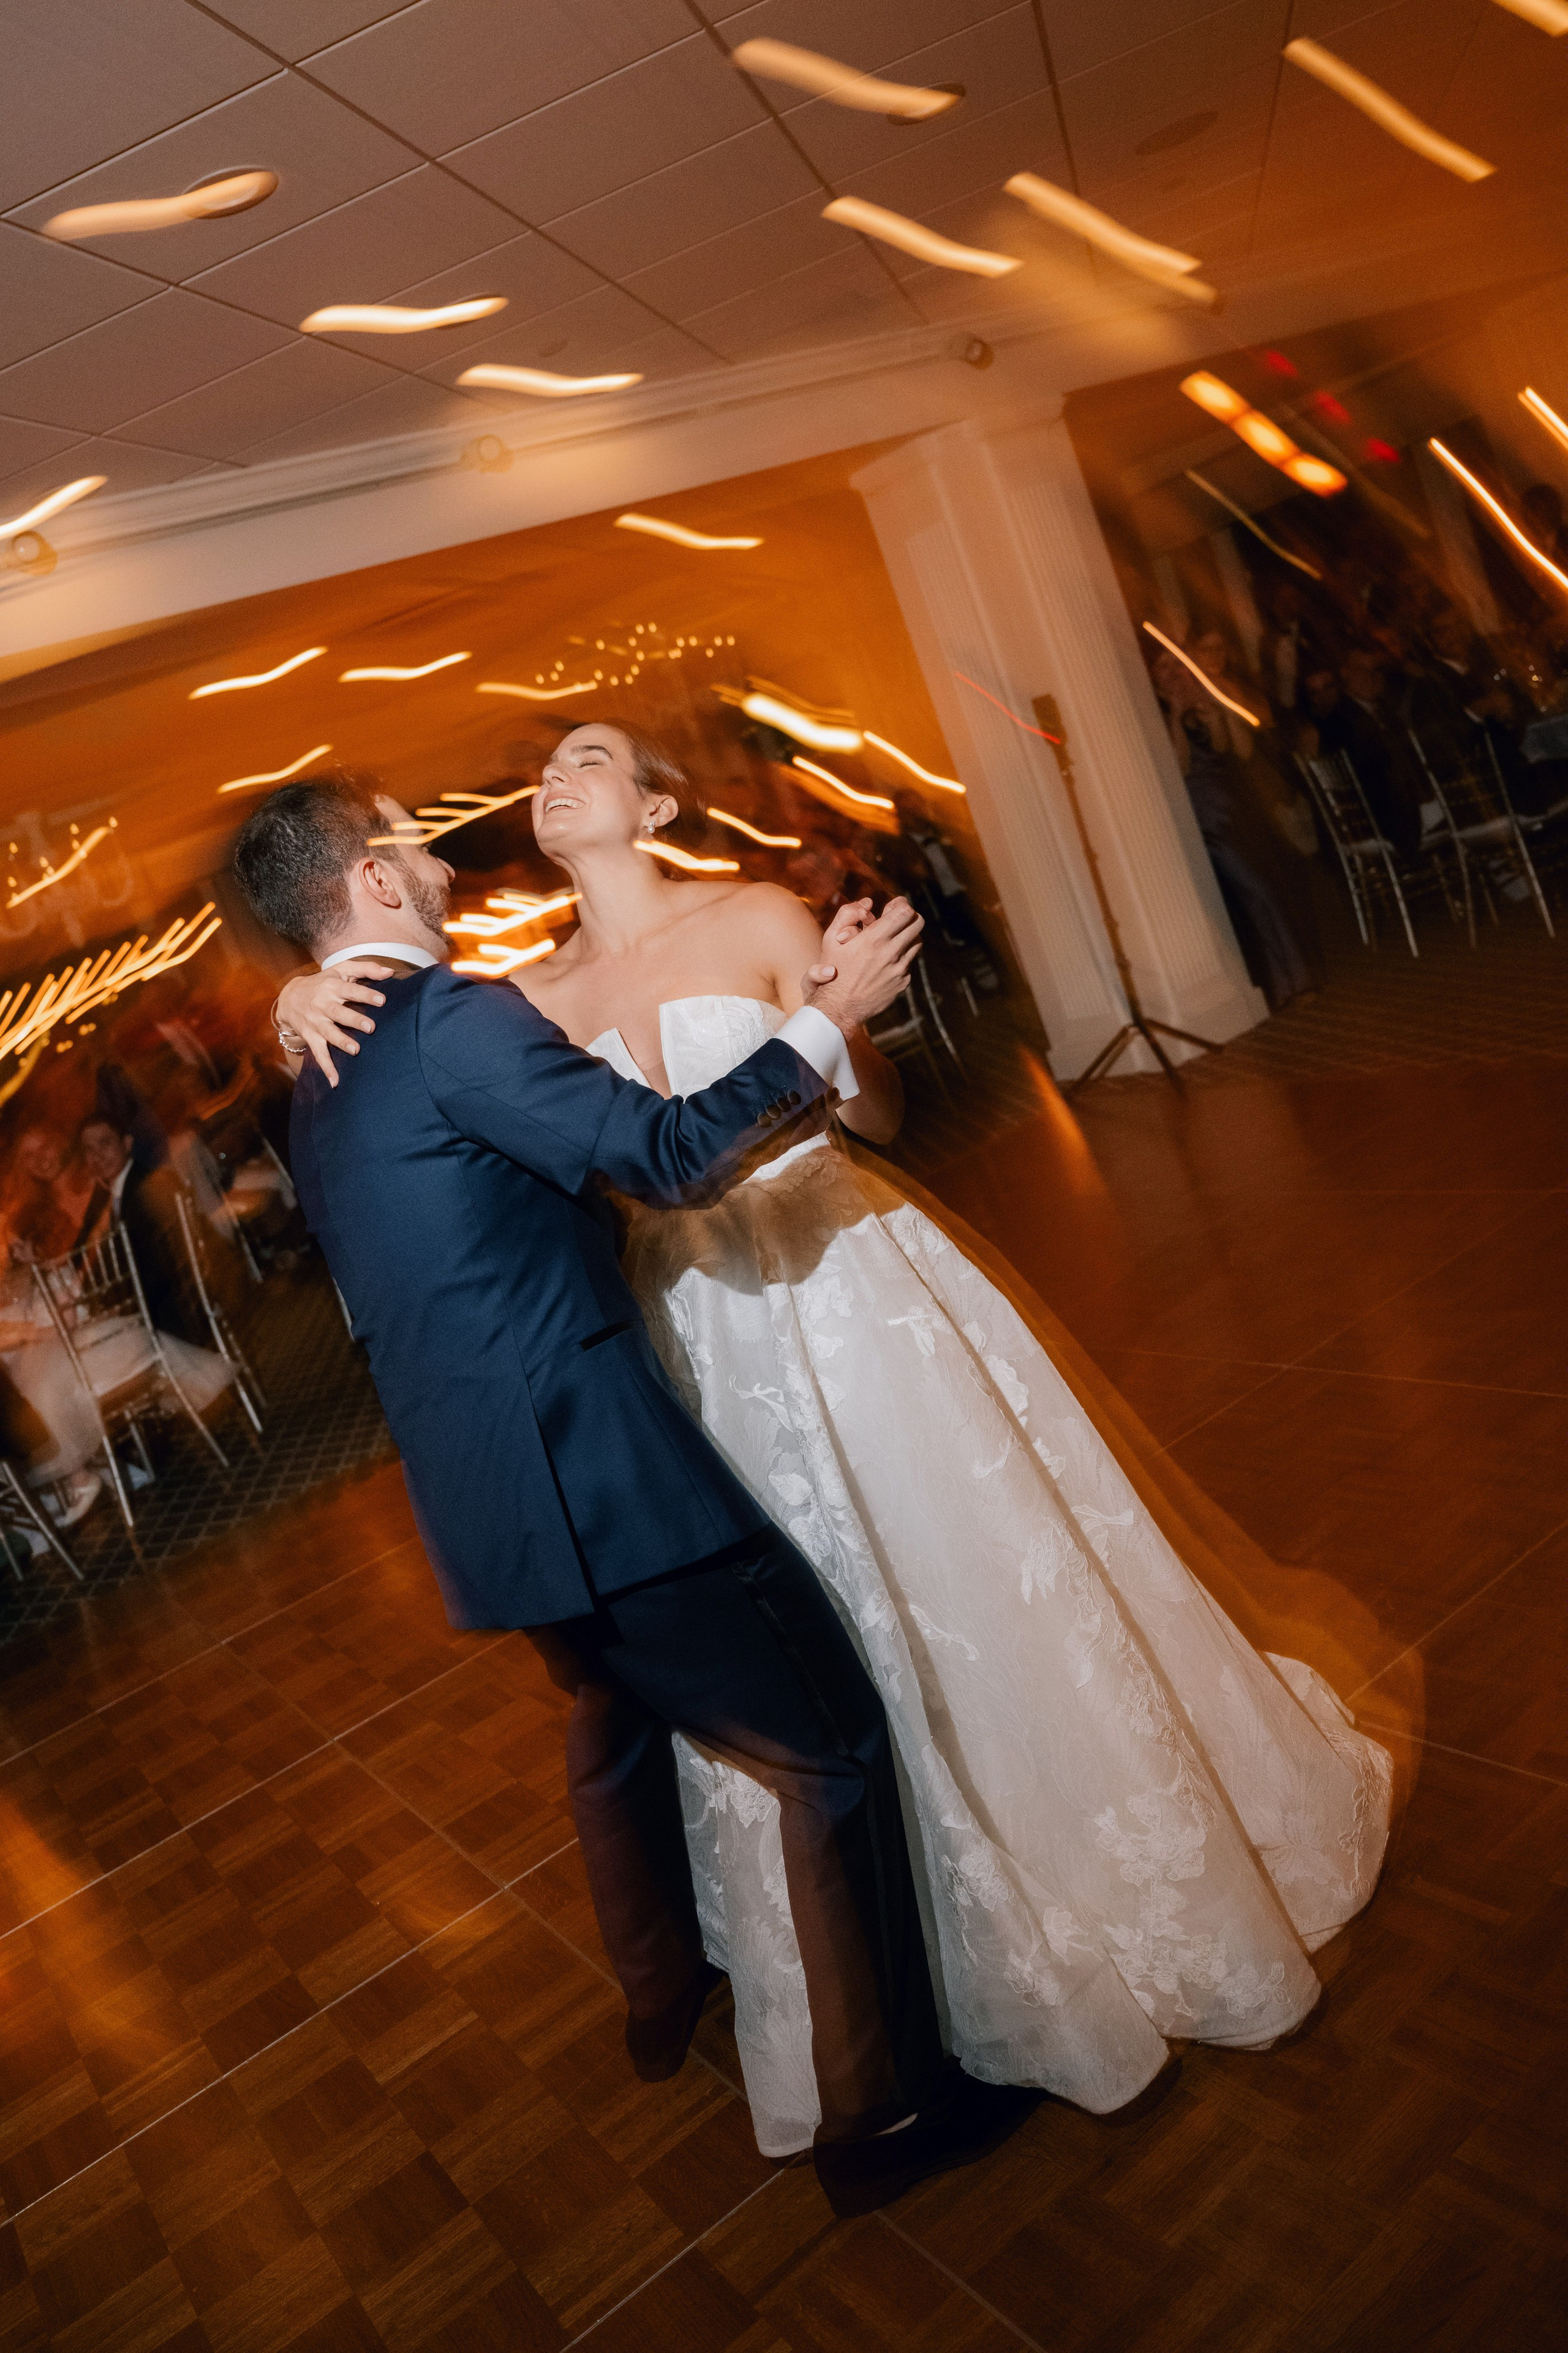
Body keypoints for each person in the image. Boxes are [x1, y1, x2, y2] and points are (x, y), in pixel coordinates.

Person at [279, 724, 1393, 2159]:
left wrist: (842, 1024)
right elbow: (462, 1080)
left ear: (655, 801)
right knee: (813, 1643)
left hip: (844, 1288)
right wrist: (307, 987)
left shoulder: (753, 912)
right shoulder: (519, 996)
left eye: (597, 754)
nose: (558, 776)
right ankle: (895, 1987)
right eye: (545, 768)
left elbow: (871, 1112)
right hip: (691, 1340)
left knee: (964, 1570)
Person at [235, 769, 1035, 2217]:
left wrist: (287, 1002)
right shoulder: (445, 1017)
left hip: (489, 1508)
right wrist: (823, 1012)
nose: (429, 851)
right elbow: (668, 1157)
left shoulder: (321, 1069)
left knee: (617, 1722)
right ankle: (886, 2112)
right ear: (366, 885)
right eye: (402, 839)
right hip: (601, 1479)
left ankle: (662, 1986)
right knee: (832, 1746)